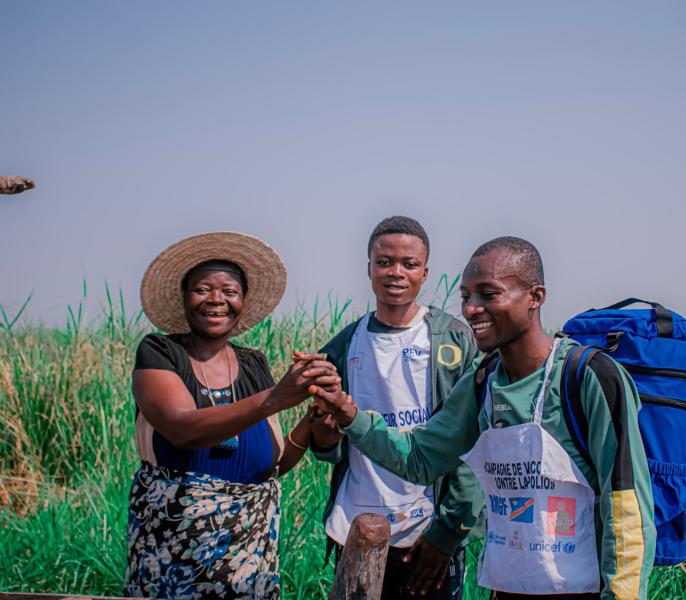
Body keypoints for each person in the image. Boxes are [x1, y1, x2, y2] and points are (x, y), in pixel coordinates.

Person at [309, 236, 656, 600]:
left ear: (535, 297)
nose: (472, 309)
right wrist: (348, 414)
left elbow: (627, 509)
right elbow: (418, 458)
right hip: (506, 587)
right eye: (466, 297)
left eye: (488, 295)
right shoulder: (483, 380)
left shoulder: (588, 378)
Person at [126, 231, 339, 600]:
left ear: (242, 301)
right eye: (203, 289)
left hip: (247, 557)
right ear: (184, 297)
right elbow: (181, 430)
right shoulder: (161, 352)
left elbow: (270, 464)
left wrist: (312, 418)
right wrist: (275, 398)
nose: (216, 300)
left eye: (229, 291)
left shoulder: (253, 363)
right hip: (172, 548)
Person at [309, 216, 484, 600]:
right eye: (384, 262)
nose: (396, 273)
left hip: (429, 532)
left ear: (425, 273)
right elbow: (331, 447)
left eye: (409, 264)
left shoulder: (455, 341)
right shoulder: (342, 345)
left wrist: (449, 531)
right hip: (356, 527)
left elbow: (473, 445)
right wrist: (322, 431)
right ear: (368, 268)